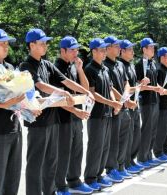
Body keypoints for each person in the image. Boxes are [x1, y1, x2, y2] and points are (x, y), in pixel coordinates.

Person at [20, 28, 92, 195]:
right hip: (37, 120)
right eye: (42, 43)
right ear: (31, 45)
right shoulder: (26, 65)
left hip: (53, 119)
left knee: (51, 161)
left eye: (46, 43)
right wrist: (62, 92)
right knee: (36, 162)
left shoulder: (47, 64)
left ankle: (50, 191)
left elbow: (65, 80)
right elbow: (39, 85)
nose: (45, 46)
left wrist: (86, 92)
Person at [0, 28, 31, 195]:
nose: (6, 47)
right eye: (2, 44)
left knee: (13, 177)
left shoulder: (10, 67)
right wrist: (6, 104)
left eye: (7, 44)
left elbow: (18, 94)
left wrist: (30, 107)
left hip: (15, 128)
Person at [54, 36, 93, 195]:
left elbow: (85, 88)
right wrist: (76, 111)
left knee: (77, 151)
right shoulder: (56, 68)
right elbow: (58, 99)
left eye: (77, 49)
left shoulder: (72, 66)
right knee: (63, 153)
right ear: (62, 50)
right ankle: (60, 186)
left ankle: (75, 181)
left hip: (76, 116)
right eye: (72, 49)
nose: (76, 52)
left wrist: (80, 69)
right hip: (62, 117)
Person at [84, 38, 122, 191]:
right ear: (93, 51)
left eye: (105, 49)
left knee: (105, 146)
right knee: (95, 147)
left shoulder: (104, 68)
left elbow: (111, 88)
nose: (104, 52)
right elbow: (92, 94)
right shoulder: (89, 69)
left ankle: (99, 175)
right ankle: (90, 177)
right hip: (95, 115)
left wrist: (115, 103)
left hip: (107, 113)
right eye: (101, 50)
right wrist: (112, 103)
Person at [103, 36, 133, 181]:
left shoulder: (120, 64)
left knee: (123, 138)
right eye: (116, 46)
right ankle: (111, 168)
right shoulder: (105, 65)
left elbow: (126, 83)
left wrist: (126, 98)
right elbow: (110, 87)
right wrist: (121, 100)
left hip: (124, 105)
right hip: (115, 107)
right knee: (113, 140)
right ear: (107, 48)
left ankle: (121, 166)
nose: (118, 49)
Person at [135, 38, 162, 168]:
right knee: (147, 129)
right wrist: (153, 88)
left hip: (154, 99)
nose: (153, 50)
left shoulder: (152, 63)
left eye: (153, 47)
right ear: (144, 49)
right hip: (146, 101)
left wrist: (159, 88)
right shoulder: (140, 64)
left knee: (153, 129)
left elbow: (155, 83)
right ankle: (142, 157)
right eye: (150, 47)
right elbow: (139, 86)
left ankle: (148, 155)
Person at [119, 39, 144, 174]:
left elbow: (132, 86)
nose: (133, 52)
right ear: (122, 51)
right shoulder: (121, 66)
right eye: (130, 49)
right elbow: (124, 88)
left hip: (135, 104)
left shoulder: (130, 65)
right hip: (127, 105)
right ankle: (125, 163)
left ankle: (131, 161)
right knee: (127, 137)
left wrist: (139, 86)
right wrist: (138, 87)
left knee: (135, 135)